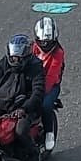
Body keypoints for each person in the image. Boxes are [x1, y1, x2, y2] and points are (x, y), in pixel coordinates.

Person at [0, 34, 47, 161]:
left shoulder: (36, 66)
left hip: (26, 109)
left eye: (18, 58)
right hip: (5, 106)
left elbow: (38, 92)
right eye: (13, 58)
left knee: (20, 130)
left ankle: (33, 155)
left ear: (25, 56)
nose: (15, 61)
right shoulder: (5, 62)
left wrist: (24, 109)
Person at [31, 17, 66, 150]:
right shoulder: (32, 48)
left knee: (45, 106)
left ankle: (49, 133)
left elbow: (52, 76)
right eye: (42, 42)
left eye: (48, 42)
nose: (45, 45)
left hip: (50, 86)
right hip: (34, 81)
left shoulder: (58, 53)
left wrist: (38, 93)